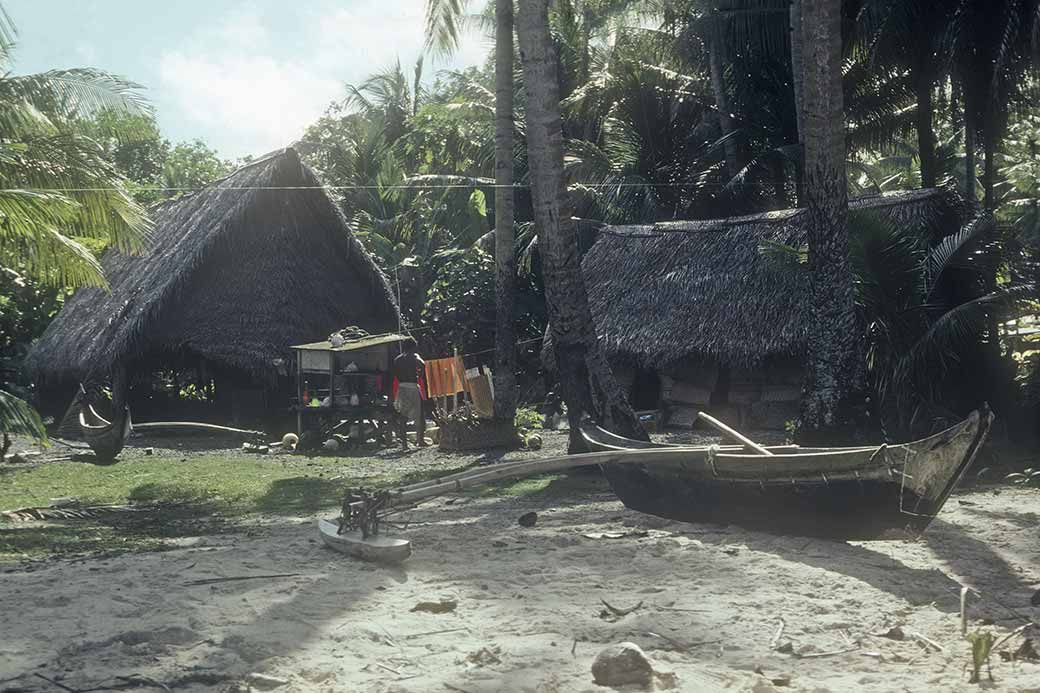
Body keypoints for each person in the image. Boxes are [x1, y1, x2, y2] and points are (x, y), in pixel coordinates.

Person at [392, 337, 426, 448]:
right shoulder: (414, 356)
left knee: (403, 416)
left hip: (402, 387)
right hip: (412, 386)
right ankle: (420, 441)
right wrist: (419, 374)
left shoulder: (397, 359)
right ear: (413, 347)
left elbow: (395, 374)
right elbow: (423, 364)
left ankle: (405, 444)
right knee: (419, 414)